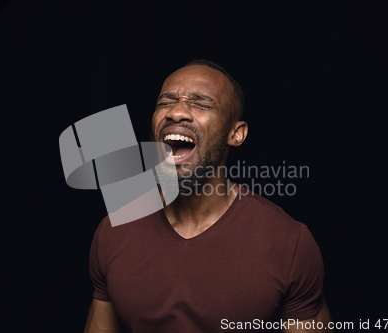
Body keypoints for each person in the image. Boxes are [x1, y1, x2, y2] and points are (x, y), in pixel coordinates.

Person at [83, 60, 333, 332]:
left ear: (236, 134)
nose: (176, 112)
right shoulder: (114, 229)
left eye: (200, 104)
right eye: (165, 102)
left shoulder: (289, 243)